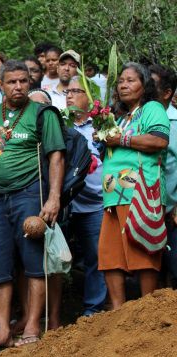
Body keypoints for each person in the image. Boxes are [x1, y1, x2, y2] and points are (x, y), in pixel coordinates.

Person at [0, 60, 66, 353]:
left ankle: (34, 325)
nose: (19, 86)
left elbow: (56, 156)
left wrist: (53, 198)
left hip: (29, 195)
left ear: (29, 83)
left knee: (34, 261)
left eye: (23, 81)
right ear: (0, 85)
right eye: (12, 82)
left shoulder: (42, 114)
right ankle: (1, 331)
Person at [98, 62, 170, 309]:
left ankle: (146, 311)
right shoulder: (117, 116)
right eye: (121, 81)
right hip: (113, 195)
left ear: (144, 85)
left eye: (131, 80)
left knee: (142, 248)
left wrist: (122, 139)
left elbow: (158, 140)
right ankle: (118, 312)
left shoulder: (152, 108)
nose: (124, 85)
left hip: (141, 190)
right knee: (110, 255)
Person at [58, 76, 107, 319]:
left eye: (77, 91)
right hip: (63, 205)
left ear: (91, 98)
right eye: (67, 91)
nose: (69, 95)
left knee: (96, 257)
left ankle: (93, 310)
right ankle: (54, 313)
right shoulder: (58, 124)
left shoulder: (103, 126)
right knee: (55, 258)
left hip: (95, 204)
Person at [149, 64, 177, 284]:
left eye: (152, 84)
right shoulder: (136, 118)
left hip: (172, 213)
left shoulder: (174, 122)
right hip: (145, 212)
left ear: (167, 93)